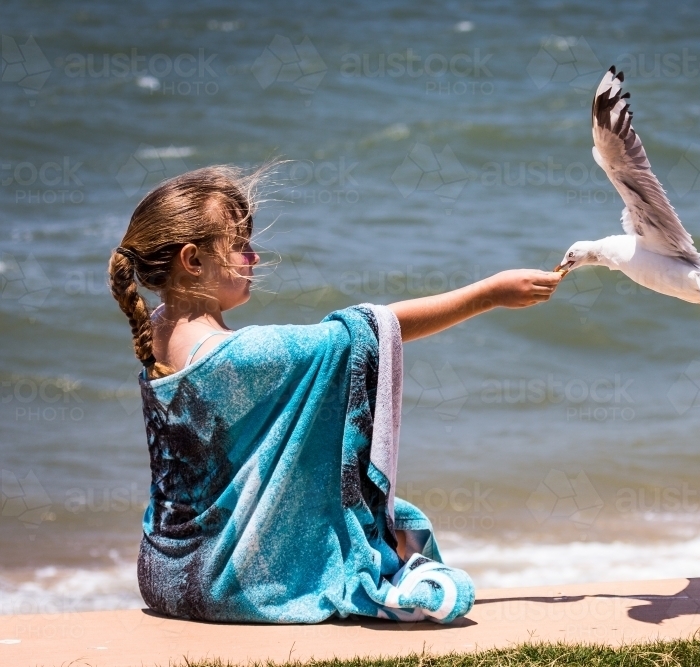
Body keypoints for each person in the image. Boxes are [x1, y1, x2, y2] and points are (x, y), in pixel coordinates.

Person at [109, 165, 562, 624]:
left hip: (164, 574)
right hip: (226, 583)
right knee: (411, 549)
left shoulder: (157, 329)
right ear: (192, 260)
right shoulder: (245, 353)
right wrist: (488, 294)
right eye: (240, 247)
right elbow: (370, 330)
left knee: (398, 519)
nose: (254, 259)